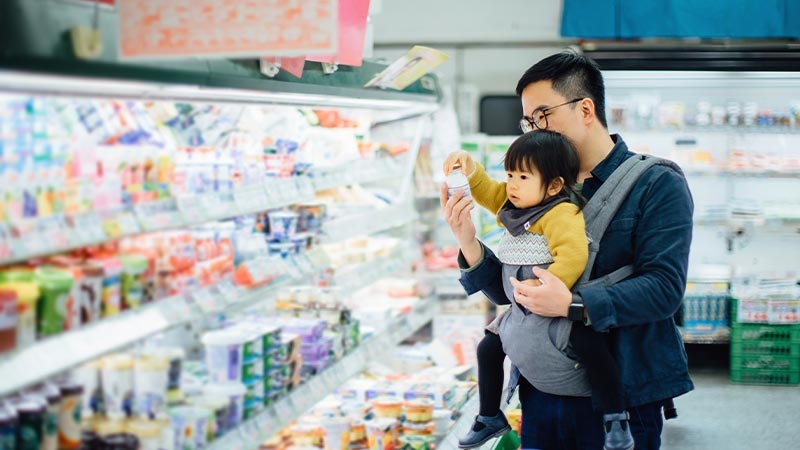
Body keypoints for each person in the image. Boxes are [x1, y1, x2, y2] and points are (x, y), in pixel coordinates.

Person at [441, 50, 694, 450]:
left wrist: (573, 305)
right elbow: (511, 294)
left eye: (542, 115)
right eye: (527, 120)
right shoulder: (531, 189)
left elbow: (664, 290)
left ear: (586, 108)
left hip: (621, 401)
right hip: (541, 392)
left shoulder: (656, 184)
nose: (532, 129)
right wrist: (467, 240)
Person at [444, 130, 633, 450]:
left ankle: (615, 415)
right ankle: (490, 415)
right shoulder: (516, 203)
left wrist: (549, 284)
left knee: (591, 346)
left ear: (555, 185)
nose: (512, 184)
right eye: (509, 174)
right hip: (521, 310)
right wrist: (470, 168)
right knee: (488, 349)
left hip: (555, 306)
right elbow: (488, 191)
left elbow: (573, 255)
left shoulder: (561, 212)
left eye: (523, 176)